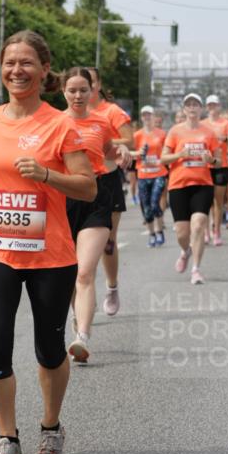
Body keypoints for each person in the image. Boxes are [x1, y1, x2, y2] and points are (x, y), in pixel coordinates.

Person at [0, 31, 96, 454]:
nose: (16, 71)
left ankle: (51, 427)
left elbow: (87, 185)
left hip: (51, 254)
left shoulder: (61, 124)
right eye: (9, 63)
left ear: (43, 70)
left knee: (48, 348)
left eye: (26, 63)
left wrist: (45, 174)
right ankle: (7, 439)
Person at [60, 67, 130, 364]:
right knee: (71, 272)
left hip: (96, 198)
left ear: (93, 91)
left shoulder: (101, 122)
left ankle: (82, 337)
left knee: (86, 270)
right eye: (72, 90)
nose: (78, 95)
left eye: (83, 90)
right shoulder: (52, 122)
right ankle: (79, 319)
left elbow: (111, 149)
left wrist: (122, 152)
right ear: (63, 91)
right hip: (62, 199)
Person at [87, 68, 132, 316]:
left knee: (107, 243)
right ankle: (84, 294)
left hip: (108, 179)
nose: (87, 89)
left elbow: (130, 139)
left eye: (91, 83)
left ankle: (112, 287)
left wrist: (104, 142)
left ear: (98, 84)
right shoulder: (71, 114)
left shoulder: (111, 111)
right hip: (81, 180)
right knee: (79, 244)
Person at [161, 93, 220, 285]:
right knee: (182, 233)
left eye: (196, 104)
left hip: (203, 184)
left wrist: (210, 159)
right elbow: (163, 158)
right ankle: (185, 251)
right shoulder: (175, 131)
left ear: (201, 109)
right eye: (189, 105)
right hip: (178, 185)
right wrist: (181, 154)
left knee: (199, 224)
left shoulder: (209, 132)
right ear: (184, 109)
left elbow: (218, 161)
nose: (192, 108)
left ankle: (196, 269)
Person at [129, 105, 168, 247]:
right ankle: (151, 234)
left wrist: (161, 158)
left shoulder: (162, 134)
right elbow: (130, 153)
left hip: (159, 173)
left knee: (154, 202)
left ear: (153, 117)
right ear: (141, 117)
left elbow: (168, 152)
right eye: (144, 115)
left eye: (149, 115)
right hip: (143, 174)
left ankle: (159, 230)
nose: (146, 117)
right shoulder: (137, 135)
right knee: (146, 206)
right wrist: (138, 153)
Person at [204, 95, 228, 246]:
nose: (212, 108)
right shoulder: (201, 124)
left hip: (220, 166)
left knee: (218, 202)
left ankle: (216, 231)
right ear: (206, 107)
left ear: (219, 107)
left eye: (215, 105)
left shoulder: (226, 124)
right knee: (205, 203)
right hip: (204, 167)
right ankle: (205, 232)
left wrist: (225, 139)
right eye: (209, 105)